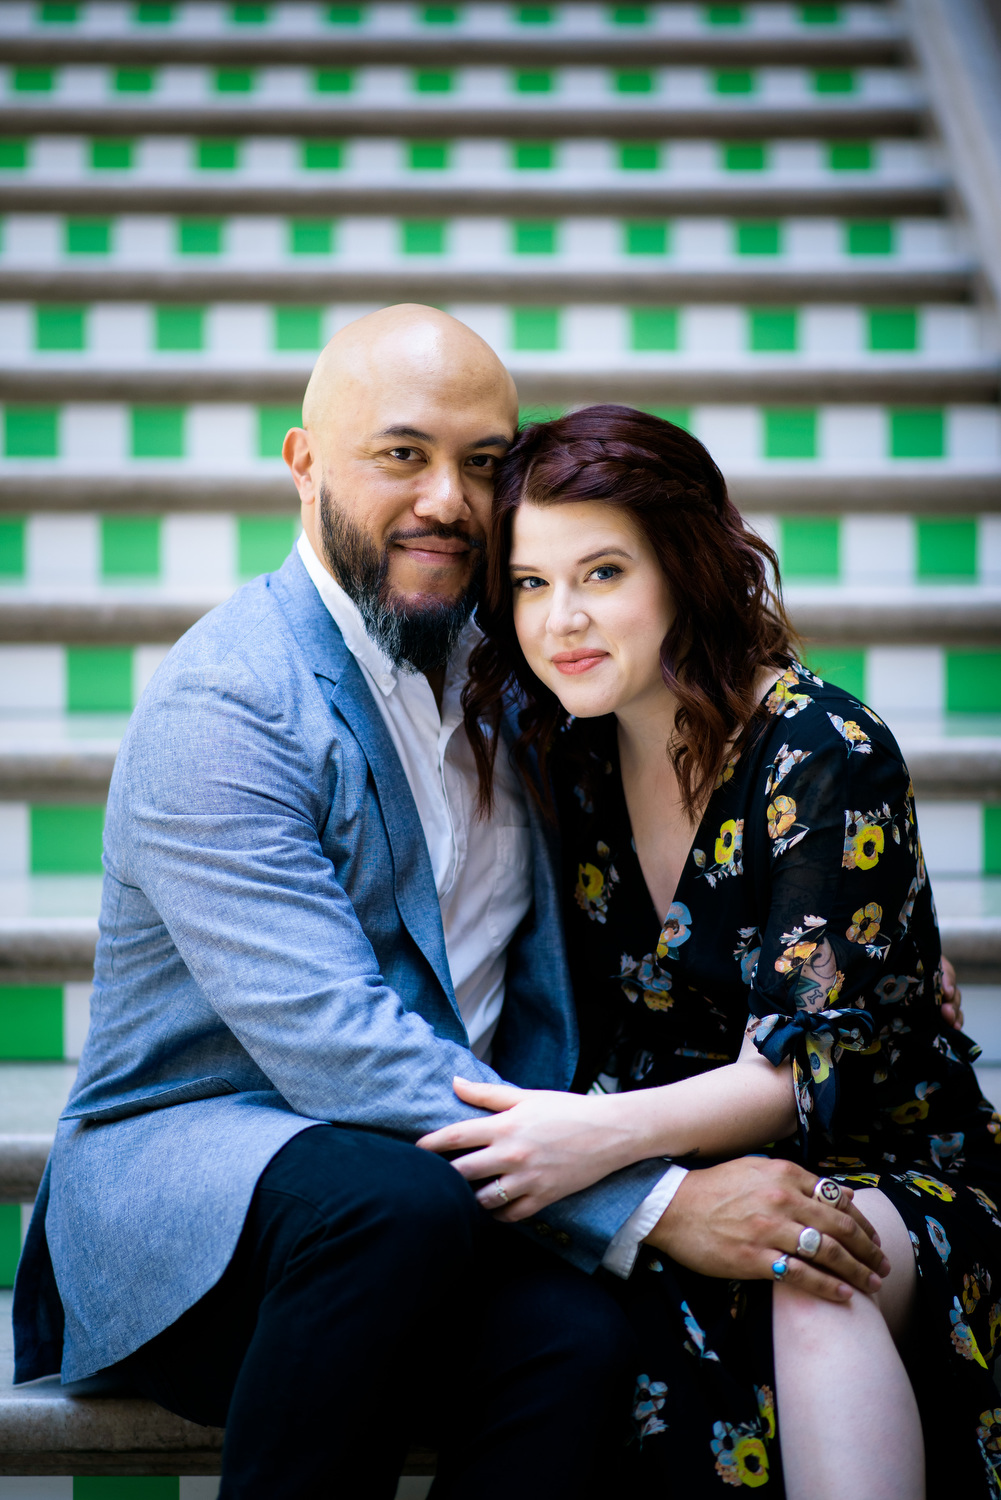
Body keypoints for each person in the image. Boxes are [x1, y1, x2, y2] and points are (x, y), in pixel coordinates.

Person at [12, 311, 961, 1498]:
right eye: (401, 455)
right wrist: (652, 1202)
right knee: (392, 1208)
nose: (449, 501)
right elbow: (334, 1047)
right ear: (304, 464)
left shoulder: (519, 682)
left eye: (482, 463)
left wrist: (868, 947)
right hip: (205, 1213)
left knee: (574, 1345)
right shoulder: (229, 704)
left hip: (446, 1202)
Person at [420, 403, 1000, 1499]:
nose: (561, 622)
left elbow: (796, 1077)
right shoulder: (563, 753)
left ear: (684, 571)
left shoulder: (821, 752)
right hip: (671, 1180)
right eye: (532, 582)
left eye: (601, 573)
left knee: (807, 1268)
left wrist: (587, 1136)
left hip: (875, 1168)